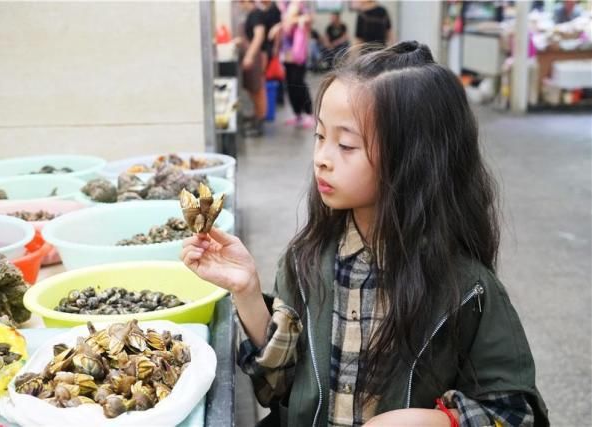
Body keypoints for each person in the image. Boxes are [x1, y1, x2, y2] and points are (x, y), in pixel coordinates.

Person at [181, 41, 549, 427]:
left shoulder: (468, 290)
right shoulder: (307, 261)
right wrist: (248, 292)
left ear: (414, 158)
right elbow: (279, 389)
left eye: (346, 145)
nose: (322, 158)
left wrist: (436, 421)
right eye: (320, 137)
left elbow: (515, 413)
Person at [279, 0, 314, 129]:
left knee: (299, 83)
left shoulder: (301, 5)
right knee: (290, 85)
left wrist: (292, 19)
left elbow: (309, 19)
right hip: (286, 53)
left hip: (299, 54)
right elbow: (284, 24)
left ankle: (309, 114)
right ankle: (297, 114)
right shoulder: (284, 5)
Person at [238, 0, 267, 137]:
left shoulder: (256, 14)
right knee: (252, 89)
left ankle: (259, 123)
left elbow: (259, 35)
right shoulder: (252, 14)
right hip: (254, 55)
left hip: (256, 56)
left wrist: (249, 55)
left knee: (257, 90)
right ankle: (256, 118)